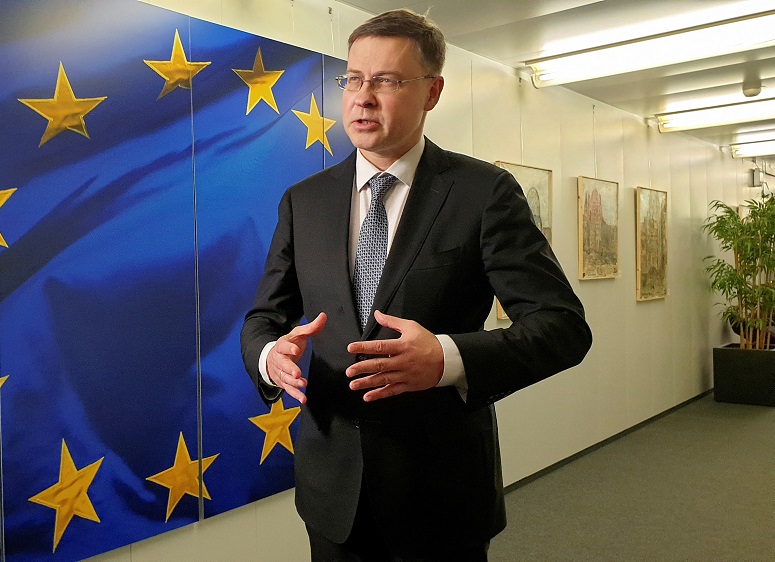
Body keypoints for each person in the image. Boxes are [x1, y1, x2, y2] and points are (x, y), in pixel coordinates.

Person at [240, 8, 592, 561]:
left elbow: (564, 328)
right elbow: (263, 317)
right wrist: (270, 357)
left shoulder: (483, 193)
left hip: (441, 495)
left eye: (386, 81)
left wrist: (447, 359)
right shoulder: (303, 201)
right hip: (332, 493)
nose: (362, 97)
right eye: (353, 79)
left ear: (432, 92)